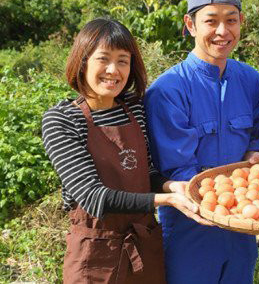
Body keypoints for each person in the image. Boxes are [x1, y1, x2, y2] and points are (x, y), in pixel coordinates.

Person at [41, 18, 206, 283]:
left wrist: (171, 186)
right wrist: (165, 200)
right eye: (103, 59)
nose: (113, 70)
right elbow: (94, 197)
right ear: (82, 62)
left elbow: (145, 170)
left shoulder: (134, 107)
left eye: (122, 60)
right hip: (96, 254)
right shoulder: (62, 120)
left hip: (143, 248)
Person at [144, 0, 259, 284]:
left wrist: (257, 151)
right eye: (211, 21)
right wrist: (232, 196)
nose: (223, 32)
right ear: (191, 24)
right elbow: (179, 169)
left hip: (241, 226)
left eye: (231, 20)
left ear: (241, 23)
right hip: (191, 226)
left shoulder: (250, 80)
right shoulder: (169, 90)